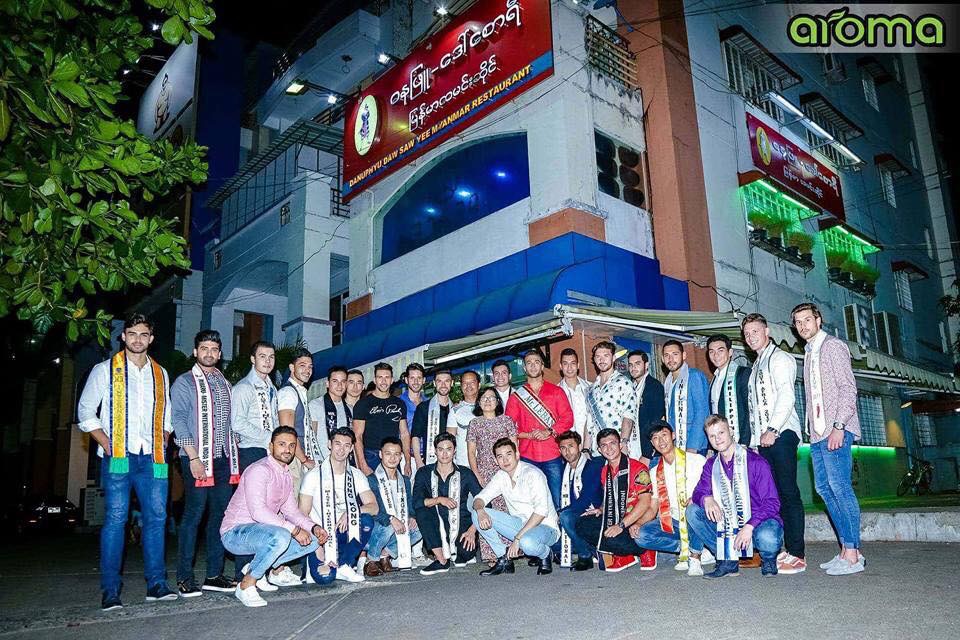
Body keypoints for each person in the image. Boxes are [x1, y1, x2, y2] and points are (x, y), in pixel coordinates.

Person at [77, 313, 177, 610]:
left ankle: (156, 585)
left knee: (157, 518)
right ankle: (110, 590)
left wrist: (165, 437)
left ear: (151, 338)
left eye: (143, 334)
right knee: (116, 519)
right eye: (132, 333)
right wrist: (107, 443)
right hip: (119, 457)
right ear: (123, 336)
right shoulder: (104, 370)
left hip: (154, 458)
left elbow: (167, 414)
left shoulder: (160, 373)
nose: (137, 339)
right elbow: (85, 412)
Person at [793, 302, 865, 575]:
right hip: (818, 433)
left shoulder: (832, 346)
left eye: (807, 320)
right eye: (798, 322)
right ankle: (846, 548)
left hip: (836, 429)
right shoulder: (809, 352)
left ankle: (853, 554)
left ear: (818, 320)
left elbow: (848, 388)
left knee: (840, 487)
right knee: (824, 488)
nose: (803, 326)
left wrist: (839, 425)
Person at [219, 426, 323, 607]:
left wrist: (314, 527)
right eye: (282, 444)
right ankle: (246, 585)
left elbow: (292, 512)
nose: (287, 450)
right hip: (235, 533)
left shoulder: (285, 475)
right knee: (282, 535)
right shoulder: (259, 470)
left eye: (291, 445)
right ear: (271, 446)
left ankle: (260, 569)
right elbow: (257, 512)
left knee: (313, 540)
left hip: (263, 532)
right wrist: (294, 530)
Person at [171, 329, 241, 597]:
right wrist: (193, 457)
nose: (209, 353)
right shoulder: (185, 382)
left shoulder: (225, 384)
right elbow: (178, 420)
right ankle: (184, 577)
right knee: (193, 516)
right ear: (195, 351)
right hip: (197, 458)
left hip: (223, 459)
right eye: (204, 349)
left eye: (213, 349)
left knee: (220, 517)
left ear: (220, 354)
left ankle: (214, 575)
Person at [742, 313, 806, 575]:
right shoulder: (757, 364)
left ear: (767, 331)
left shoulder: (780, 358)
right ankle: (781, 549)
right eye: (747, 334)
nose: (751, 337)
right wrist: (754, 441)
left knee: (788, 493)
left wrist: (773, 429)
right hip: (764, 440)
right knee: (773, 495)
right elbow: (755, 409)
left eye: (755, 332)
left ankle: (797, 554)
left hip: (781, 435)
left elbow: (787, 396)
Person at [687, 415, 784, 578]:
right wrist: (706, 499)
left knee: (768, 537)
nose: (717, 439)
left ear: (731, 431)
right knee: (692, 511)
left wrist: (749, 526)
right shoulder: (711, 464)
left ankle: (768, 558)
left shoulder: (755, 462)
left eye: (721, 433)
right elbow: (698, 492)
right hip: (727, 524)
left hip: (757, 522)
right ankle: (727, 559)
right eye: (712, 436)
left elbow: (772, 503)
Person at [299, 427, 378, 584]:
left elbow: (374, 507)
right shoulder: (313, 476)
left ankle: (343, 564)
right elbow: (302, 514)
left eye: (347, 445)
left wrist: (351, 513)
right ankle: (314, 560)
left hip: (343, 532)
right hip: (321, 535)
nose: (341, 449)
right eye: (338, 444)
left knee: (366, 521)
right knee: (325, 579)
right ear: (329, 444)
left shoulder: (356, 475)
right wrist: (316, 544)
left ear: (351, 448)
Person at [472, 438, 561, 576]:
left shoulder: (532, 474)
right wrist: (480, 510)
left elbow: (541, 512)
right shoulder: (501, 476)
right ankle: (504, 558)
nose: (505, 460)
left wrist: (518, 538)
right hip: (521, 524)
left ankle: (546, 554)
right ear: (496, 461)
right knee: (476, 514)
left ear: (517, 454)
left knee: (527, 543)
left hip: (545, 527)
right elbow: (480, 498)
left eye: (509, 454)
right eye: (500, 456)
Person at [574, 429, 656, 572]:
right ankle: (625, 556)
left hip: (638, 520)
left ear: (620, 445)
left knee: (612, 537)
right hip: (617, 518)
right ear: (599, 450)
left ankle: (645, 549)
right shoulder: (605, 471)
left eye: (612, 443)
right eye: (604, 445)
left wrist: (621, 525)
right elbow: (610, 498)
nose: (609, 448)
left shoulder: (638, 468)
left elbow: (645, 503)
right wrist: (601, 509)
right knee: (582, 524)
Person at [634, 421, 709, 575]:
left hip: (697, 518)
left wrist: (697, 498)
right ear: (652, 443)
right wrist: (638, 523)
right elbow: (653, 507)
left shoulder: (697, 460)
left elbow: (712, 492)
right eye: (655, 438)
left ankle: (695, 556)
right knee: (641, 536)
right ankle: (690, 549)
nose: (661, 441)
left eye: (664, 435)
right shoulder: (654, 472)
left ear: (673, 435)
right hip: (674, 522)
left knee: (692, 510)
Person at [505, 349, 574, 508]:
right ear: (524, 368)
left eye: (536, 362)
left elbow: (568, 418)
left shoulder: (556, 392)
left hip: (553, 454)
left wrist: (549, 431)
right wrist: (527, 435)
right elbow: (507, 427)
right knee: (532, 502)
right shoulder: (516, 397)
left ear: (542, 366)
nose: (533, 366)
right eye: (529, 363)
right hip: (527, 456)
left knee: (558, 500)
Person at [412, 433, 482, 575]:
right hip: (436, 525)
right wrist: (439, 500)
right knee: (422, 510)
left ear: (454, 450)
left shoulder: (465, 473)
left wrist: (472, 530)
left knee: (463, 555)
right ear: (435, 451)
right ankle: (441, 560)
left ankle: (463, 553)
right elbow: (416, 502)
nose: (444, 454)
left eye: (448, 449)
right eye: (440, 449)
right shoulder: (424, 472)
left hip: (462, 526)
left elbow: (484, 501)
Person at [466, 387, 519, 563]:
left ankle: (511, 550)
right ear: (479, 402)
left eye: (491, 398)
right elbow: (471, 452)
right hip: (484, 473)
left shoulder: (506, 420)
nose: (488, 401)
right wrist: (476, 473)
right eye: (484, 398)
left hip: (505, 470)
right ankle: (492, 554)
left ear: (498, 401)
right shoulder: (475, 423)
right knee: (486, 511)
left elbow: (515, 448)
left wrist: (514, 472)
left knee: (506, 510)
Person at [365, 437, 422, 576]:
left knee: (420, 528)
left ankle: (385, 555)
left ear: (401, 456)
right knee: (388, 525)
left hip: (398, 526)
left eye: (396, 454)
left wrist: (412, 516)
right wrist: (390, 518)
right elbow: (372, 510)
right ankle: (371, 560)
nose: (392, 458)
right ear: (380, 454)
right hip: (377, 529)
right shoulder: (371, 480)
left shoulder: (405, 481)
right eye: (388, 453)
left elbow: (409, 503)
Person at [554, 431, 603, 570]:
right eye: (563, 448)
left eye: (571, 446)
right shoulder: (562, 469)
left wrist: (561, 512)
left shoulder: (592, 466)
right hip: (574, 512)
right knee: (552, 542)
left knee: (566, 517)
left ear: (580, 446)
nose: (567, 451)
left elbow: (585, 500)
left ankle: (585, 555)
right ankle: (590, 548)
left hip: (592, 513)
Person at [352, 363, 411, 476]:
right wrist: (363, 464)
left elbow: (404, 434)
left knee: (395, 487)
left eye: (387, 377)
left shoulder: (399, 403)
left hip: (393, 455)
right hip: (371, 456)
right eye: (380, 377)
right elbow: (357, 436)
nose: (383, 381)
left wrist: (407, 462)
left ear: (392, 380)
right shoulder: (362, 404)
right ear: (374, 380)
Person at [585, 342, 639, 459]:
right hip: (597, 450)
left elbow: (628, 416)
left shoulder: (624, 383)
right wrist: (585, 449)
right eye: (598, 356)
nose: (602, 360)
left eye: (606, 355)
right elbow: (589, 421)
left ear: (613, 358)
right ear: (594, 360)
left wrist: (623, 443)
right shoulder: (591, 389)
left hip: (616, 449)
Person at [231, 341, 279, 472]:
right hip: (251, 450)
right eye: (262, 356)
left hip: (270, 449)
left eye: (271, 357)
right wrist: (269, 437)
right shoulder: (244, 387)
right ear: (253, 359)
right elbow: (237, 423)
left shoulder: (272, 388)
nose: (268, 361)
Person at [277, 348, 318, 493]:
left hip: (298, 456)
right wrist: (304, 459)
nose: (307, 370)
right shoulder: (288, 392)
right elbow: (287, 432)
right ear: (291, 367)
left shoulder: (300, 391)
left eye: (310, 367)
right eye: (302, 365)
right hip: (293, 458)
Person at [662, 340, 710, 454]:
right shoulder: (668, 382)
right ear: (662, 359)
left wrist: (693, 446)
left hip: (694, 446)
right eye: (667, 355)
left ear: (683, 355)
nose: (671, 359)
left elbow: (702, 412)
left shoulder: (694, 376)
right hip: (675, 444)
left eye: (675, 354)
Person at [706, 335, 751, 447]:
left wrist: (744, 442)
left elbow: (749, 409)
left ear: (730, 352)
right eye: (711, 352)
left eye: (720, 350)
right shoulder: (714, 379)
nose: (716, 355)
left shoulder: (743, 374)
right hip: (720, 441)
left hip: (741, 440)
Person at [628, 350, 665, 462]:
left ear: (646, 365)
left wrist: (647, 453)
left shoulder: (653, 386)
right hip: (635, 445)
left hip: (649, 452)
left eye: (637, 363)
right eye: (630, 365)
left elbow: (655, 422)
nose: (633, 368)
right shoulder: (631, 387)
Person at [412, 370, 454, 467]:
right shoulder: (423, 407)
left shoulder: (455, 409)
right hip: (429, 461)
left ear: (452, 383)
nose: (443, 385)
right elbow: (415, 436)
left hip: (452, 462)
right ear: (434, 383)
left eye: (447, 381)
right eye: (439, 381)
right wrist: (418, 461)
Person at [557, 348, 592, 448]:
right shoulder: (555, 393)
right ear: (560, 366)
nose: (569, 368)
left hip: (593, 445)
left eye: (573, 363)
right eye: (565, 364)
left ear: (578, 365)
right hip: (569, 448)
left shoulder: (591, 388)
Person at [308, 366, 351, 445]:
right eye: (335, 381)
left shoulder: (349, 409)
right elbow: (311, 438)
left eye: (343, 381)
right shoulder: (315, 405)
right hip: (321, 452)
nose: (339, 385)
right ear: (327, 384)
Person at [447, 370, 480, 467]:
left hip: (487, 463)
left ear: (479, 385)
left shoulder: (489, 406)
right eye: (465, 383)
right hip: (464, 464)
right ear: (461, 386)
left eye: (472, 382)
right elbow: (450, 439)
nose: (468, 386)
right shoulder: (455, 411)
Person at [399, 363, 426, 429]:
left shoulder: (429, 403)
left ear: (424, 380)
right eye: (412, 378)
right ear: (406, 380)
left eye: (419, 378)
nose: (416, 382)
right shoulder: (397, 402)